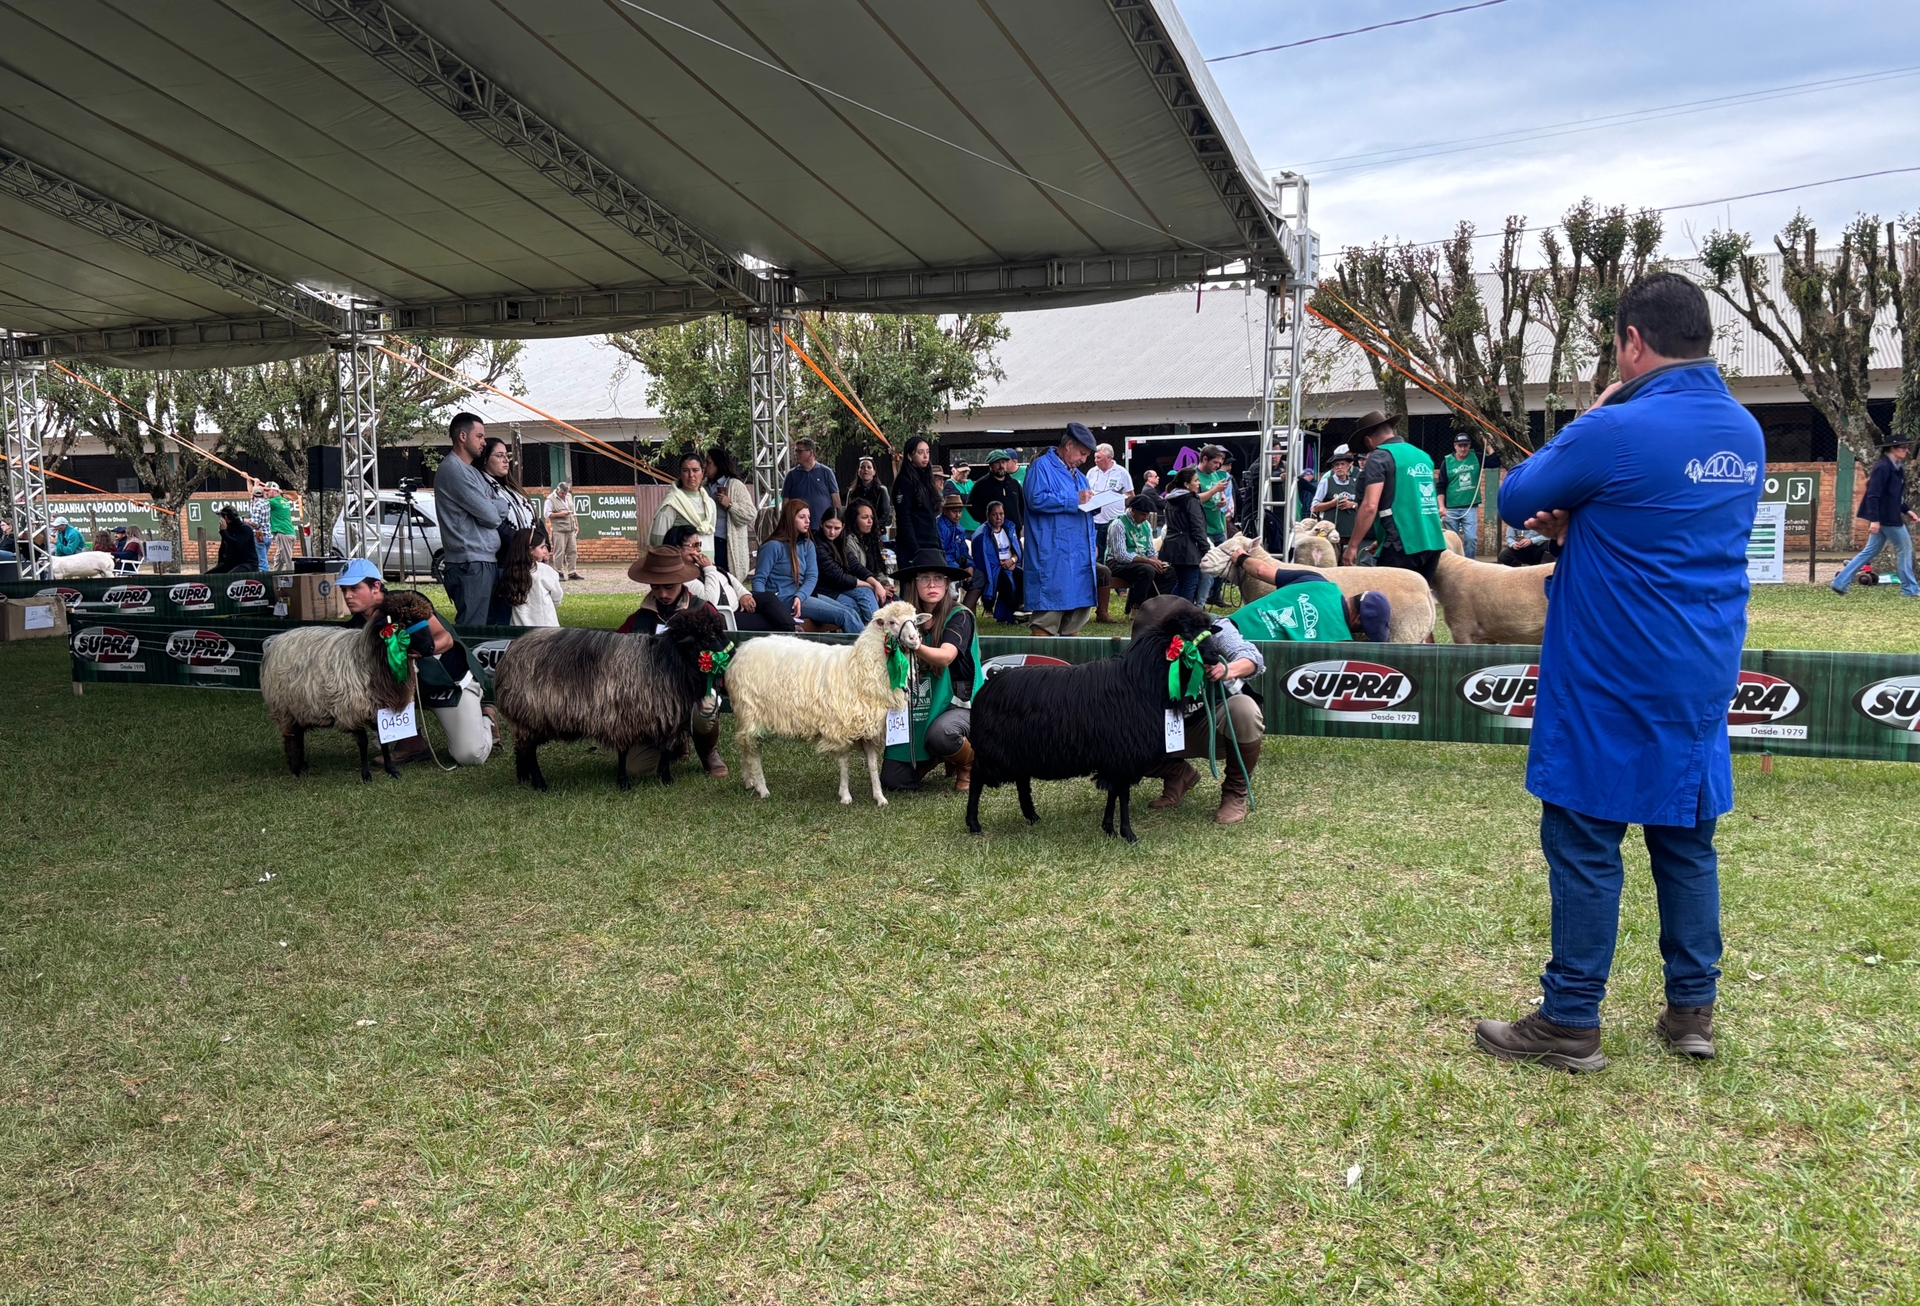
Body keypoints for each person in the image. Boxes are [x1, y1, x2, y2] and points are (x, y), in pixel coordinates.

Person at [1474, 271, 1763, 1072]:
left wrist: (1598, 412)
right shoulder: (1745, 432)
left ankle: (1570, 1019)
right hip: (1703, 664)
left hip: (1612, 666)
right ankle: (1691, 1012)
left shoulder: (1616, 428)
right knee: (1685, 838)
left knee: (1583, 837)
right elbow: (1656, 518)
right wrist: (1588, 516)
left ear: (1632, 343)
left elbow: (1520, 495)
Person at [335, 557, 494, 766]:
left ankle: (487, 716)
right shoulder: (354, 629)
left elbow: (444, 640)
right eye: (344, 590)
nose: (348, 596)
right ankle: (410, 744)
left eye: (354, 588)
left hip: (447, 685)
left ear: (375, 587)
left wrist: (420, 651)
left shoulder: (406, 605)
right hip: (406, 691)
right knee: (363, 692)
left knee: (470, 755)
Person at [1137, 595, 1267, 825]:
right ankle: (1178, 774)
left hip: (1208, 724)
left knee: (1245, 708)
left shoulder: (1216, 626)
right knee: (1111, 731)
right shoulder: (1144, 637)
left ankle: (1235, 793)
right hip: (1162, 725)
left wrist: (1227, 670)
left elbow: (1252, 658)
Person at [615, 545, 728, 777]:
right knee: (636, 770)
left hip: (695, 692)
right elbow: (614, 656)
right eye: (655, 587)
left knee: (705, 708)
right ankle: (676, 742)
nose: (662, 593)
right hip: (650, 702)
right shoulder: (638, 620)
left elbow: (723, 655)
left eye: (669, 587)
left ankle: (708, 752)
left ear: (681, 582)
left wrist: (713, 682)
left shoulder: (704, 611)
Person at [883, 547, 983, 793]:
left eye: (938, 578)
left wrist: (914, 645)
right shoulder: (903, 619)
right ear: (915, 584)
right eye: (925, 578)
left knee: (942, 734)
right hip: (916, 705)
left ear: (947, 583)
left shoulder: (960, 616)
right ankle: (939, 756)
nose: (932, 584)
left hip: (959, 704)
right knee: (894, 781)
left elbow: (946, 657)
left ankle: (970, 764)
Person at [1343, 410, 1446, 581]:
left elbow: (1370, 506)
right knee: (1417, 601)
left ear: (1368, 440)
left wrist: (1353, 546)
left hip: (1402, 544)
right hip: (1432, 542)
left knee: (1388, 602)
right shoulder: (1423, 456)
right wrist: (1382, 540)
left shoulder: (1379, 457)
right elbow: (1412, 500)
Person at [1022, 423, 1099, 637]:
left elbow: (1086, 515)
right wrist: (1074, 499)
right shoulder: (1041, 467)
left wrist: (1093, 544)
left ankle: (1070, 669)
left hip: (1079, 556)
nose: (1084, 460)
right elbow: (1034, 499)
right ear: (1069, 445)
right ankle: (1041, 669)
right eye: (1082, 453)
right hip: (1052, 554)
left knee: (1075, 617)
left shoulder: (1080, 477)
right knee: (1047, 617)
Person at [434, 412, 507, 626]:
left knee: (488, 628)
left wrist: (489, 504)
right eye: (480, 436)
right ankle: (465, 660)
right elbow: (493, 516)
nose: (484, 442)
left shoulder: (472, 472)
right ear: (463, 437)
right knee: (473, 628)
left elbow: (501, 503)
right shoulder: (453, 470)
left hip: (484, 561)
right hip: (470, 564)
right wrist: (488, 506)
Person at [752, 498, 864, 631]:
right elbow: (759, 580)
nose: (807, 521)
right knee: (845, 615)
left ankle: (858, 647)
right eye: (802, 517)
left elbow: (812, 576)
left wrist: (800, 596)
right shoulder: (772, 546)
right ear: (790, 519)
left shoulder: (808, 544)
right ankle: (865, 651)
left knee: (851, 611)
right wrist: (767, 607)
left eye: (809, 517)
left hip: (802, 597)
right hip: (783, 601)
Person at [1831, 437, 1919, 597]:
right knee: (1904, 549)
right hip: (1886, 517)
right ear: (1893, 448)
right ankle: (1910, 590)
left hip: (1888, 514)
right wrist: (1874, 520)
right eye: (1903, 447)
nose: (1907, 450)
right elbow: (1873, 495)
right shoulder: (1883, 467)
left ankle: (1840, 582)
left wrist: (1906, 510)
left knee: (1869, 552)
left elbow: (1893, 495)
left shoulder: (1895, 467)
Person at [1085, 441, 1133, 619]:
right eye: (1095, 457)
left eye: (1099, 457)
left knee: (1115, 554)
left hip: (1114, 519)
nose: (1095, 459)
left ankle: (1120, 588)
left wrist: (1123, 510)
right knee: (1096, 554)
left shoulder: (1121, 472)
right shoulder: (1091, 472)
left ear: (1109, 458)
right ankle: (1096, 586)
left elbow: (1131, 495)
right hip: (1095, 519)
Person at [813, 511, 882, 629]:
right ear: (821, 524)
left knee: (866, 593)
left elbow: (855, 565)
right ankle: (874, 637)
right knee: (855, 606)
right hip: (824, 590)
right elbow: (838, 577)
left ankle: (875, 634)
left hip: (839, 587)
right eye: (828, 527)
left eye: (837, 528)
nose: (832, 532)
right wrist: (870, 585)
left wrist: (876, 583)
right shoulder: (818, 544)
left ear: (843, 527)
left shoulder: (840, 541)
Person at [1105, 494, 1169, 615]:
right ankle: (1137, 607)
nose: (1145, 518)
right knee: (1147, 570)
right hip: (1116, 564)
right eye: (1142, 514)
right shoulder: (1118, 524)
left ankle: (1153, 605)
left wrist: (1156, 560)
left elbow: (1150, 550)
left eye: (1147, 515)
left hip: (1141, 563)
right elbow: (1121, 556)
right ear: (1132, 510)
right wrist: (1148, 561)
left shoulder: (1147, 525)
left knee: (1169, 572)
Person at [703, 446, 756, 586]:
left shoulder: (735, 485)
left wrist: (730, 505)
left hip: (726, 544)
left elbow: (751, 514)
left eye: (708, 463)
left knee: (727, 582)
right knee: (709, 581)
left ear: (718, 465)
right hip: (707, 542)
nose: (705, 466)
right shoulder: (703, 487)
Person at [1157, 465, 1210, 604]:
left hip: (1172, 546)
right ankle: (1184, 615)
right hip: (1188, 548)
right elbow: (1197, 527)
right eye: (1196, 480)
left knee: (1181, 582)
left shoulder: (1170, 499)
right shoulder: (1190, 500)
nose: (1199, 483)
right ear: (1186, 484)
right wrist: (1206, 548)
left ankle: (1168, 610)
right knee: (1190, 583)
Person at [649, 450, 717, 556]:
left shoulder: (710, 503)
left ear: (702, 472)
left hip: (707, 565)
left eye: (695, 470)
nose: (691, 475)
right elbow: (658, 542)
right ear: (680, 473)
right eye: (686, 470)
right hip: (682, 568)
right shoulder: (672, 504)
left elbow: (709, 539)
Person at [965, 500, 1023, 621]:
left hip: (1011, 565)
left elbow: (1017, 552)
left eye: (1001, 514)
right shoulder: (981, 534)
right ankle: (1015, 612)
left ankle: (1022, 607)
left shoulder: (1009, 529)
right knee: (1006, 582)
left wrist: (1012, 560)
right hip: (994, 570)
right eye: (994, 514)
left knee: (1022, 576)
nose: (998, 517)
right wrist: (1002, 566)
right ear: (987, 516)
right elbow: (982, 559)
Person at [497, 524, 564, 627]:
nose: (544, 550)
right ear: (530, 549)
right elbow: (557, 596)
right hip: (545, 629)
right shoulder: (545, 571)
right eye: (542, 547)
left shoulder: (510, 572)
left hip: (518, 629)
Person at [891, 436, 941, 559]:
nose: (925, 456)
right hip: (913, 546)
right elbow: (904, 518)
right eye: (920, 452)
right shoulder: (904, 481)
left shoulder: (927, 479)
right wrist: (915, 548)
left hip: (931, 543)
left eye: (927, 451)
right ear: (909, 456)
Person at [1195, 445, 1234, 601]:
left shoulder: (1217, 475)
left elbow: (1221, 494)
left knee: (1225, 561)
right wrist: (1214, 491)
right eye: (1215, 462)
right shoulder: (1194, 476)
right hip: (1204, 527)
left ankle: (1216, 594)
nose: (1218, 466)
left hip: (1218, 525)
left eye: (1220, 463)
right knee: (1208, 565)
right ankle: (1201, 601)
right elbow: (1195, 500)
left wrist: (1223, 499)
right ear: (1205, 459)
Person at [1440, 434, 1485, 559]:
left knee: (1471, 538)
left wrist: (1488, 443)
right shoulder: (1447, 461)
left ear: (1469, 445)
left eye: (1465, 445)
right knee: (1453, 541)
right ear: (1455, 446)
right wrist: (1442, 506)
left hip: (1469, 507)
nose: (1463, 449)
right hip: (1451, 508)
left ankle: (1469, 564)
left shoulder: (1476, 457)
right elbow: (1441, 486)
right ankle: (1455, 567)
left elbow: (1494, 461)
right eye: (1460, 446)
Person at [480, 438, 538, 535]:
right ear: (485, 459)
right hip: (509, 547)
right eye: (499, 456)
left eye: (507, 455)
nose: (506, 460)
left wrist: (542, 540)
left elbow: (535, 518)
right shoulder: (482, 488)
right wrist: (525, 542)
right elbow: (495, 524)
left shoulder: (513, 488)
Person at [1310, 445, 1361, 545]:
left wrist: (1352, 505)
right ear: (1333, 467)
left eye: (1343, 464)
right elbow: (1314, 507)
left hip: (1351, 533)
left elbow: (1364, 505)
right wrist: (1333, 503)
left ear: (1349, 466)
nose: (1340, 467)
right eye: (1337, 465)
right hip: (1330, 533)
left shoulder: (1356, 482)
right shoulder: (1326, 482)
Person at [781, 437, 840, 524]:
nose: (796, 454)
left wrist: (838, 520)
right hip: (798, 526)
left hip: (823, 526)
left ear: (811, 453)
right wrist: (785, 521)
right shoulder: (791, 475)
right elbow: (785, 501)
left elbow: (836, 499)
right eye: (795, 451)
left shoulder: (826, 472)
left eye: (799, 451)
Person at [969, 449, 1025, 535]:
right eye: (997, 463)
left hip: (1014, 532)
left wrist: (1019, 521)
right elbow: (972, 506)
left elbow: (1022, 505)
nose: (1001, 465)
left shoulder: (1014, 484)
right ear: (990, 465)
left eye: (1003, 462)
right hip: (991, 533)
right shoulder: (982, 484)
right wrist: (986, 520)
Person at [843, 499, 891, 590]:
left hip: (873, 585)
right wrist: (878, 587)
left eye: (871, 517)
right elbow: (856, 572)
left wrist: (885, 583)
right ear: (854, 519)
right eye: (865, 517)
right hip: (858, 587)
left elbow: (876, 570)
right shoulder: (848, 541)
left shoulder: (869, 540)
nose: (870, 521)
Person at [543, 481, 584, 581]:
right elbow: (547, 514)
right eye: (562, 493)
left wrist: (576, 524)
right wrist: (561, 514)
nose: (564, 495)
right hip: (559, 530)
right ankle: (559, 572)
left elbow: (573, 512)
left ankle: (572, 572)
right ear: (558, 490)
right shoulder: (550, 499)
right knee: (559, 551)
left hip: (570, 529)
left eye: (566, 493)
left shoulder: (569, 496)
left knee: (573, 550)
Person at [846, 455, 892, 538]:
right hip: (857, 534)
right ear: (858, 471)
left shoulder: (881, 490)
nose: (865, 470)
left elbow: (885, 514)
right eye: (862, 467)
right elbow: (848, 513)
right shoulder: (852, 492)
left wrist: (872, 527)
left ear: (874, 471)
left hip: (878, 533)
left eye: (869, 467)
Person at [209, 506, 259, 572]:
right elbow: (223, 549)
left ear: (225, 518)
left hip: (248, 564)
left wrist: (223, 532)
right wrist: (220, 565)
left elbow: (236, 545)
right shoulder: (228, 530)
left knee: (230, 577)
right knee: (207, 576)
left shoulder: (245, 528)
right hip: (231, 564)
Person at [935, 492, 973, 579]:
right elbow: (941, 553)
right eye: (954, 512)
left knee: (980, 575)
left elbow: (964, 551)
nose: (958, 515)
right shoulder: (938, 526)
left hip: (957, 563)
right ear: (945, 511)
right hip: (944, 565)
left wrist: (970, 565)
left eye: (960, 511)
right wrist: (958, 569)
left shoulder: (960, 528)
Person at [267, 483, 298, 570]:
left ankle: (293, 579)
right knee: (278, 559)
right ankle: (275, 576)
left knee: (287, 559)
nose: (267, 492)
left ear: (275, 491)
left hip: (283, 533)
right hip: (290, 533)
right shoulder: (284, 500)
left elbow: (257, 500)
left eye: (268, 490)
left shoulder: (274, 502)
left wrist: (255, 485)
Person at [246, 482, 273, 571]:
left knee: (262, 563)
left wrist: (245, 521)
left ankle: (266, 580)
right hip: (268, 535)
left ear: (253, 495)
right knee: (262, 559)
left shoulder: (257, 505)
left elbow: (256, 524)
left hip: (259, 536)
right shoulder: (266, 503)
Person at [948, 461, 979, 531]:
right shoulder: (949, 484)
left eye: (966, 472)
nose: (965, 474)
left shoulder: (970, 482)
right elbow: (957, 499)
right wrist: (975, 498)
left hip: (976, 526)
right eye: (961, 472)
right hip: (960, 528)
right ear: (953, 471)